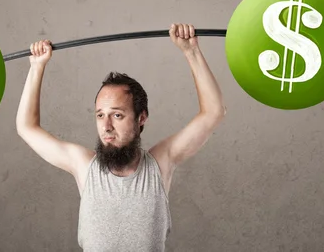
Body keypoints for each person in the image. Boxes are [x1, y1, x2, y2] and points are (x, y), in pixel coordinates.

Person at [16, 23, 226, 251]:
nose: (106, 126)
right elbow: (26, 127)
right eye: (100, 115)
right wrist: (37, 67)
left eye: (117, 115)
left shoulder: (160, 163)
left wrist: (191, 51)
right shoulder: (84, 166)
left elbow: (213, 112)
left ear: (141, 117)